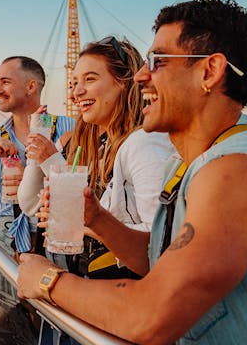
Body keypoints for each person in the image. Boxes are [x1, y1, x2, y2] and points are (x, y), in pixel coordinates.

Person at [17, 0, 247, 344]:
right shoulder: (187, 164)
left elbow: (152, 315)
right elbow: (160, 261)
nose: (140, 76)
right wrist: (97, 219)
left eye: (158, 61)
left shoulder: (240, 171)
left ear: (209, 72)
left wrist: (48, 281)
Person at [18, 37, 174, 278]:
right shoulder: (101, 145)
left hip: (124, 294)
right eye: (73, 83)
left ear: (124, 82)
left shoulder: (142, 143)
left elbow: (162, 243)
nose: (75, 94)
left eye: (90, 79)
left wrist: (85, 221)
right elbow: (30, 203)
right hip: (94, 287)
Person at [0, 56, 74, 344]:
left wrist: (36, 172)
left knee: (61, 313)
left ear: (31, 86)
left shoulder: (68, 129)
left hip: (56, 229)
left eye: (5, 81)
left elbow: (82, 187)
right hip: (9, 230)